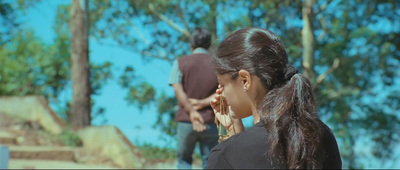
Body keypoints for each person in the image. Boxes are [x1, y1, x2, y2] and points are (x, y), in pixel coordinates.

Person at [206, 27, 342, 169]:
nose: (220, 92)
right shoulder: (322, 136)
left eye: (222, 84)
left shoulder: (227, 155)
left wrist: (231, 145)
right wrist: (237, 137)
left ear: (245, 80)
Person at [169, 27, 219, 169]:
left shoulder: (180, 63)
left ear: (191, 45)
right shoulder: (217, 65)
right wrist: (202, 103)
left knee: (184, 161)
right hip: (210, 121)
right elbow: (224, 92)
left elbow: (177, 89)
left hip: (186, 120)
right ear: (209, 46)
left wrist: (192, 111)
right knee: (210, 162)